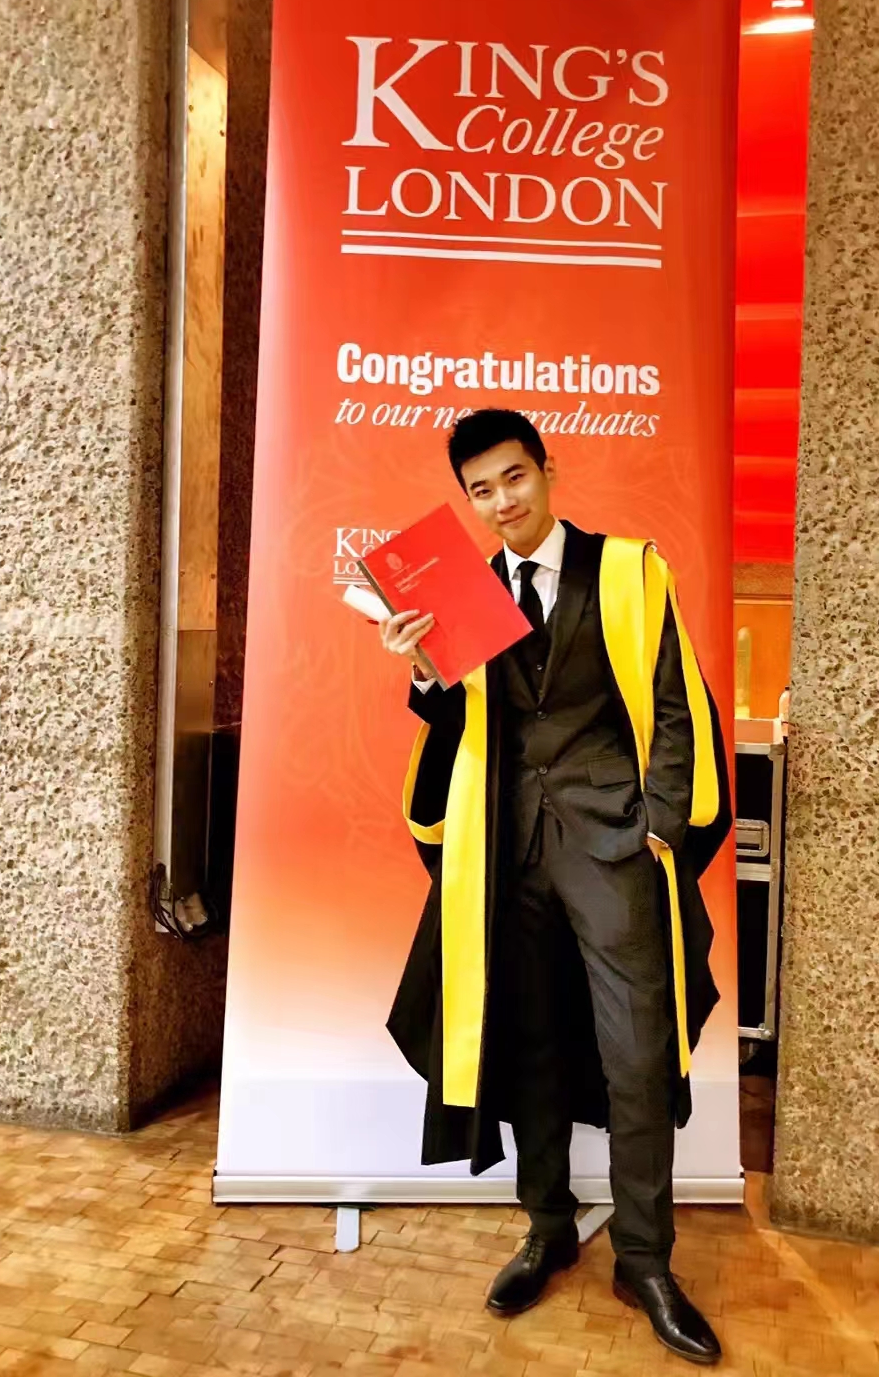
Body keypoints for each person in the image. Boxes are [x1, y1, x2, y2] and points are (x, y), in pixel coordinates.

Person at [380, 409, 731, 1365]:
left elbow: (674, 704)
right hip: (507, 851)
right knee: (528, 1043)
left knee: (637, 1054)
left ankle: (645, 1260)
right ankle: (547, 1225)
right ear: (467, 499)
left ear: (546, 470)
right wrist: (423, 668)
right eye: (481, 489)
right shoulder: (460, 594)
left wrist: (658, 827)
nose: (502, 501)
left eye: (514, 477)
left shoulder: (626, 570)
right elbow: (460, 723)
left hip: (613, 846)